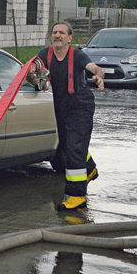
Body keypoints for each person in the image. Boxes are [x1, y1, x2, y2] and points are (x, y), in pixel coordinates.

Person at [27, 21, 105, 211]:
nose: (57, 35)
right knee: (67, 146)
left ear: (69, 38)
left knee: (75, 148)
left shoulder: (77, 56)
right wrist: (31, 74)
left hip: (81, 106)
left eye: (62, 32)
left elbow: (95, 68)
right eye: (54, 32)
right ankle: (89, 168)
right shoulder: (45, 54)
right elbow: (33, 73)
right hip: (61, 106)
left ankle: (77, 196)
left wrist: (98, 76)